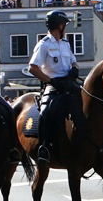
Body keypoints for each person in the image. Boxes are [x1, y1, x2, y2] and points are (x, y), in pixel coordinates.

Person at [28, 10, 81, 163]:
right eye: (65, 25)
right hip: (53, 86)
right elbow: (32, 67)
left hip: (69, 83)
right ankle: (44, 147)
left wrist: (75, 69)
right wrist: (50, 81)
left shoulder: (65, 44)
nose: (66, 28)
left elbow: (73, 61)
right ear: (60, 25)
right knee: (45, 112)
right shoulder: (43, 44)